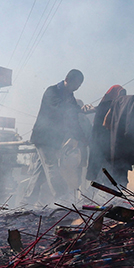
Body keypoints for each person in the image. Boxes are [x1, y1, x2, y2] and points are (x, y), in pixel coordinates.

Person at [26, 69, 89, 204]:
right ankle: (62, 198)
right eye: (76, 84)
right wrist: (78, 110)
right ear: (67, 79)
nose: (77, 88)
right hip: (44, 138)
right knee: (51, 167)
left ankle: (27, 202)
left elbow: (73, 120)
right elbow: (62, 110)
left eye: (79, 86)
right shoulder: (52, 91)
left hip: (54, 141)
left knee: (40, 172)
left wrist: (80, 137)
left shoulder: (70, 96)